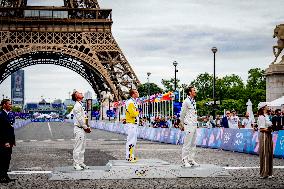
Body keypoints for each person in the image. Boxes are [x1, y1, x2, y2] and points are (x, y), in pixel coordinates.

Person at [179, 86, 199, 167]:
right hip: (188, 124)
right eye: (194, 90)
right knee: (187, 143)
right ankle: (184, 160)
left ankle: (191, 159)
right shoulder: (186, 101)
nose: (195, 91)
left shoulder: (193, 101)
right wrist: (181, 123)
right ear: (189, 92)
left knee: (193, 143)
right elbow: (182, 113)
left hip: (194, 124)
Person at [72, 90, 91, 171]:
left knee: (82, 147)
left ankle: (80, 162)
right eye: (79, 93)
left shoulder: (80, 105)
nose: (81, 93)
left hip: (81, 128)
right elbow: (80, 119)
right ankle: (76, 163)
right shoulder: (77, 106)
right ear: (77, 97)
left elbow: (83, 118)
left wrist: (85, 126)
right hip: (79, 128)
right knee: (78, 147)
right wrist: (85, 127)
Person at [0, 99, 15, 183]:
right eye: (9, 104)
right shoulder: (1, 115)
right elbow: (1, 130)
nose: (11, 105)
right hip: (4, 142)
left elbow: (10, 128)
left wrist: (12, 141)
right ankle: (2, 177)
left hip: (10, 141)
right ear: (4, 105)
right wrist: (5, 141)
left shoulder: (10, 114)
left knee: (7, 159)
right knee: (3, 159)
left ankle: (5, 176)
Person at [257, 103, 273, 179]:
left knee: (269, 153)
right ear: (263, 108)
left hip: (268, 135)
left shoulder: (266, 116)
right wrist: (269, 129)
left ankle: (269, 172)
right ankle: (264, 172)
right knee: (265, 153)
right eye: (267, 106)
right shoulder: (261, 117)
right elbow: (261, 128)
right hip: (264, 135)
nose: (268, 107)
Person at [125, 89, 140, 162]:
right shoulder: (130, 102)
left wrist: (136, 112)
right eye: (136, 92)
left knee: (133, 141)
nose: (138, 93)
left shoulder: (133, 102)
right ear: (133, 94)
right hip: (131, 124)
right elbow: (133, 114)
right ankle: (129, 156)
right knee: (131, 141)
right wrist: (138, 112)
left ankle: (131, 155)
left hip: (133, 124)